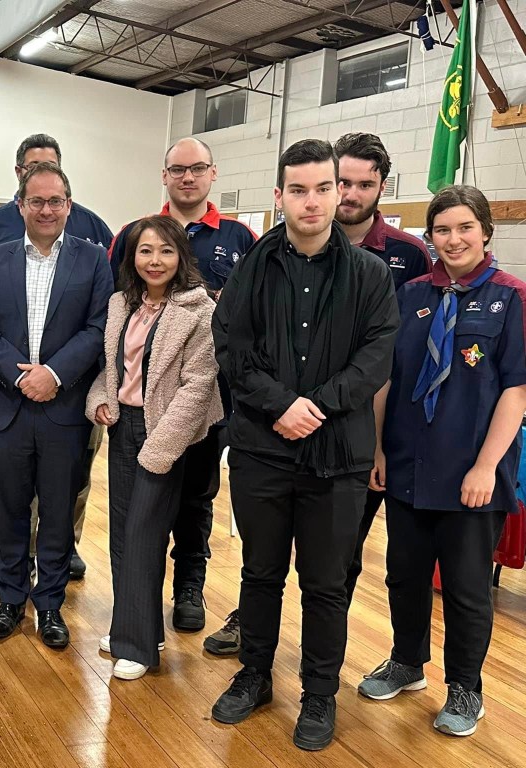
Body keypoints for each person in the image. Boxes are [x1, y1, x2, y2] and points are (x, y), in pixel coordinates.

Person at [204, 132, 433, 654]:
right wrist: (281, 405)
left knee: (327, 584)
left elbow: (377, 356)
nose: (312, 200)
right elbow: (232, 347)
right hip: (263, 446)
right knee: (260, 572)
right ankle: (254, 674)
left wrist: (317, 407)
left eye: (323, 188)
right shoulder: (252, 267)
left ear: (336, 193)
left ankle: (319, 689)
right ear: (279, 196)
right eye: (298, 190)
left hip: (338, 451)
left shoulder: (373, 273)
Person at [357, 185, 526, 738]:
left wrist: (485, 467)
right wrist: (378, 447)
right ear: (429, 236)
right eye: (442, 230)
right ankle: (407, 662)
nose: (453, 240)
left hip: (471, 473)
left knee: (465, 587)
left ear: (486, 231)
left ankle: (466, 687)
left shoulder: (512, 297)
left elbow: (517, 391)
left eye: (464, 228)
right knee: (403, 575)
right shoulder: (410, 295)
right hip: (407, 463)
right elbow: (388, 378)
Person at [108, 137, 256, 635]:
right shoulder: (133, 234)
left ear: (213, 173)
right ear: (164, 175)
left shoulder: (240, 237)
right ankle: (138, 606)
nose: (187, 177)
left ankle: (189, 586)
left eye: (197, 168)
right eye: (177, 169)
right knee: (139, 510)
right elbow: (117, 310)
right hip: (140, 405)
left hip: (205, 405)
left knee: (196, 501)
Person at [0, 133, 113, 580]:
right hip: (8, 398)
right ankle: (12, 582)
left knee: (66, 495)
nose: (46, 209)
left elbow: (102, 321)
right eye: (36, 198)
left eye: (56, 199)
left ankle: (56, 574)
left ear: (67, 199)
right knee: (11, 499)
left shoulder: (94, 243)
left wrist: (56, 374)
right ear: (20, 195)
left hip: (70, 398)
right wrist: (19, 376)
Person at [86, 215, 221, 679]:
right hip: (123, 429)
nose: (155, 260)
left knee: (144, 535)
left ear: (181, 256)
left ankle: (138, 647)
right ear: (132, 257)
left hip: (166, 432)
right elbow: (113, 368)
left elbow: (199, 384)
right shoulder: (121, 303)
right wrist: (100, 400)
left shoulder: (198, 310)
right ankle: (134, 626)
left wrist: (161, 446)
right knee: (123, 535)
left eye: (166, 250)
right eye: (145, 250)